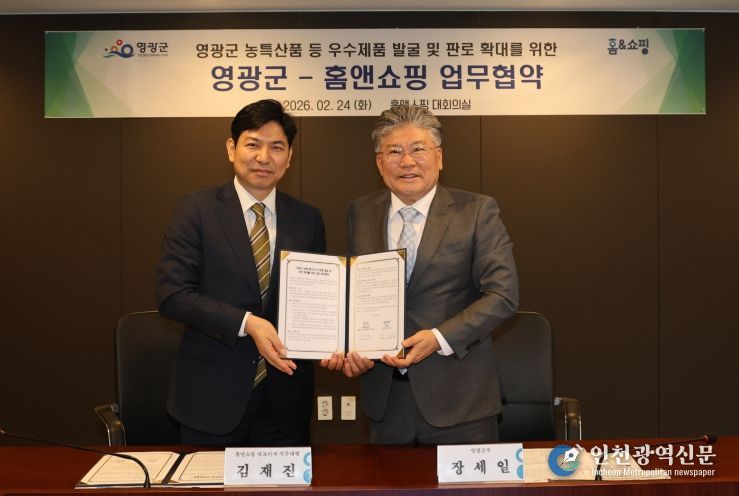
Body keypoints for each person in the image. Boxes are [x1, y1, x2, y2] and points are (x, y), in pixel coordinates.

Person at [322, 104, 518, 444]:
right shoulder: (361, 212)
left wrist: (438, 338)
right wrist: (351, 349)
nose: (407, 161)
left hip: (460, 400)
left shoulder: (476, 211)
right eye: (394, 151)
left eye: (418, 149)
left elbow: (503, 295)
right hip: (386, 402)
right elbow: (356, 294)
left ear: (439, 157)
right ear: (379, 162)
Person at [157, 99, 326, 446]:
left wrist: (337, 342)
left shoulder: (307, 219)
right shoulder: (196, 210)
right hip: (210, 398)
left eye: (276, 147)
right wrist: (248, 323)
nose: (264, 157)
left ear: (289, 157)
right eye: (253, 144)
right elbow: (173, 295)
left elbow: (319, 301)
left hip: (285, 403)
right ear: (231, 148)